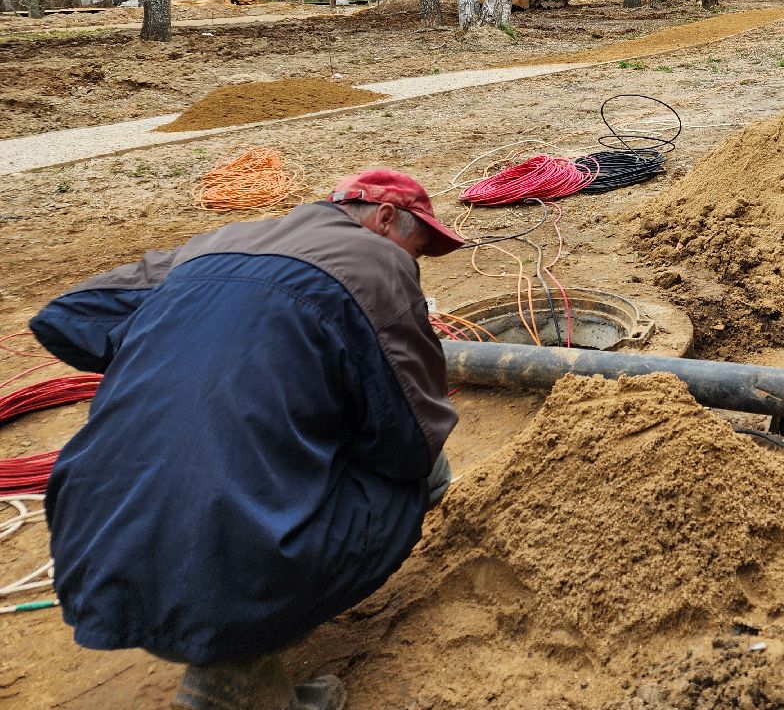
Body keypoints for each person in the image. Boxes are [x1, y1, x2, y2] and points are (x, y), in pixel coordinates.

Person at [29, 169, 468, 710]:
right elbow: (409, 441)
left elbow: (69, 315)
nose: (413, 263)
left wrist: (193, 357)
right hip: (231, 559)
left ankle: (244, 667)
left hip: (88, 541)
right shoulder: (377, 264)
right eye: (417, 248)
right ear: (383, 219)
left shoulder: (217, 242)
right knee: (423, 473)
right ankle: (233, 669)